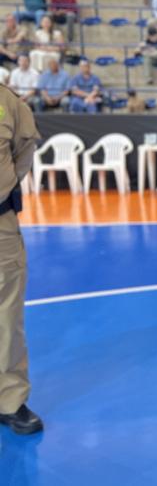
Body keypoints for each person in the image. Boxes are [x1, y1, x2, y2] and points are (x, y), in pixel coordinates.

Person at [0, 83, 43, 436]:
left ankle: (10, 399)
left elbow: (24, 148)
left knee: (6, 314)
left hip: (0, 224)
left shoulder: (7, 102)